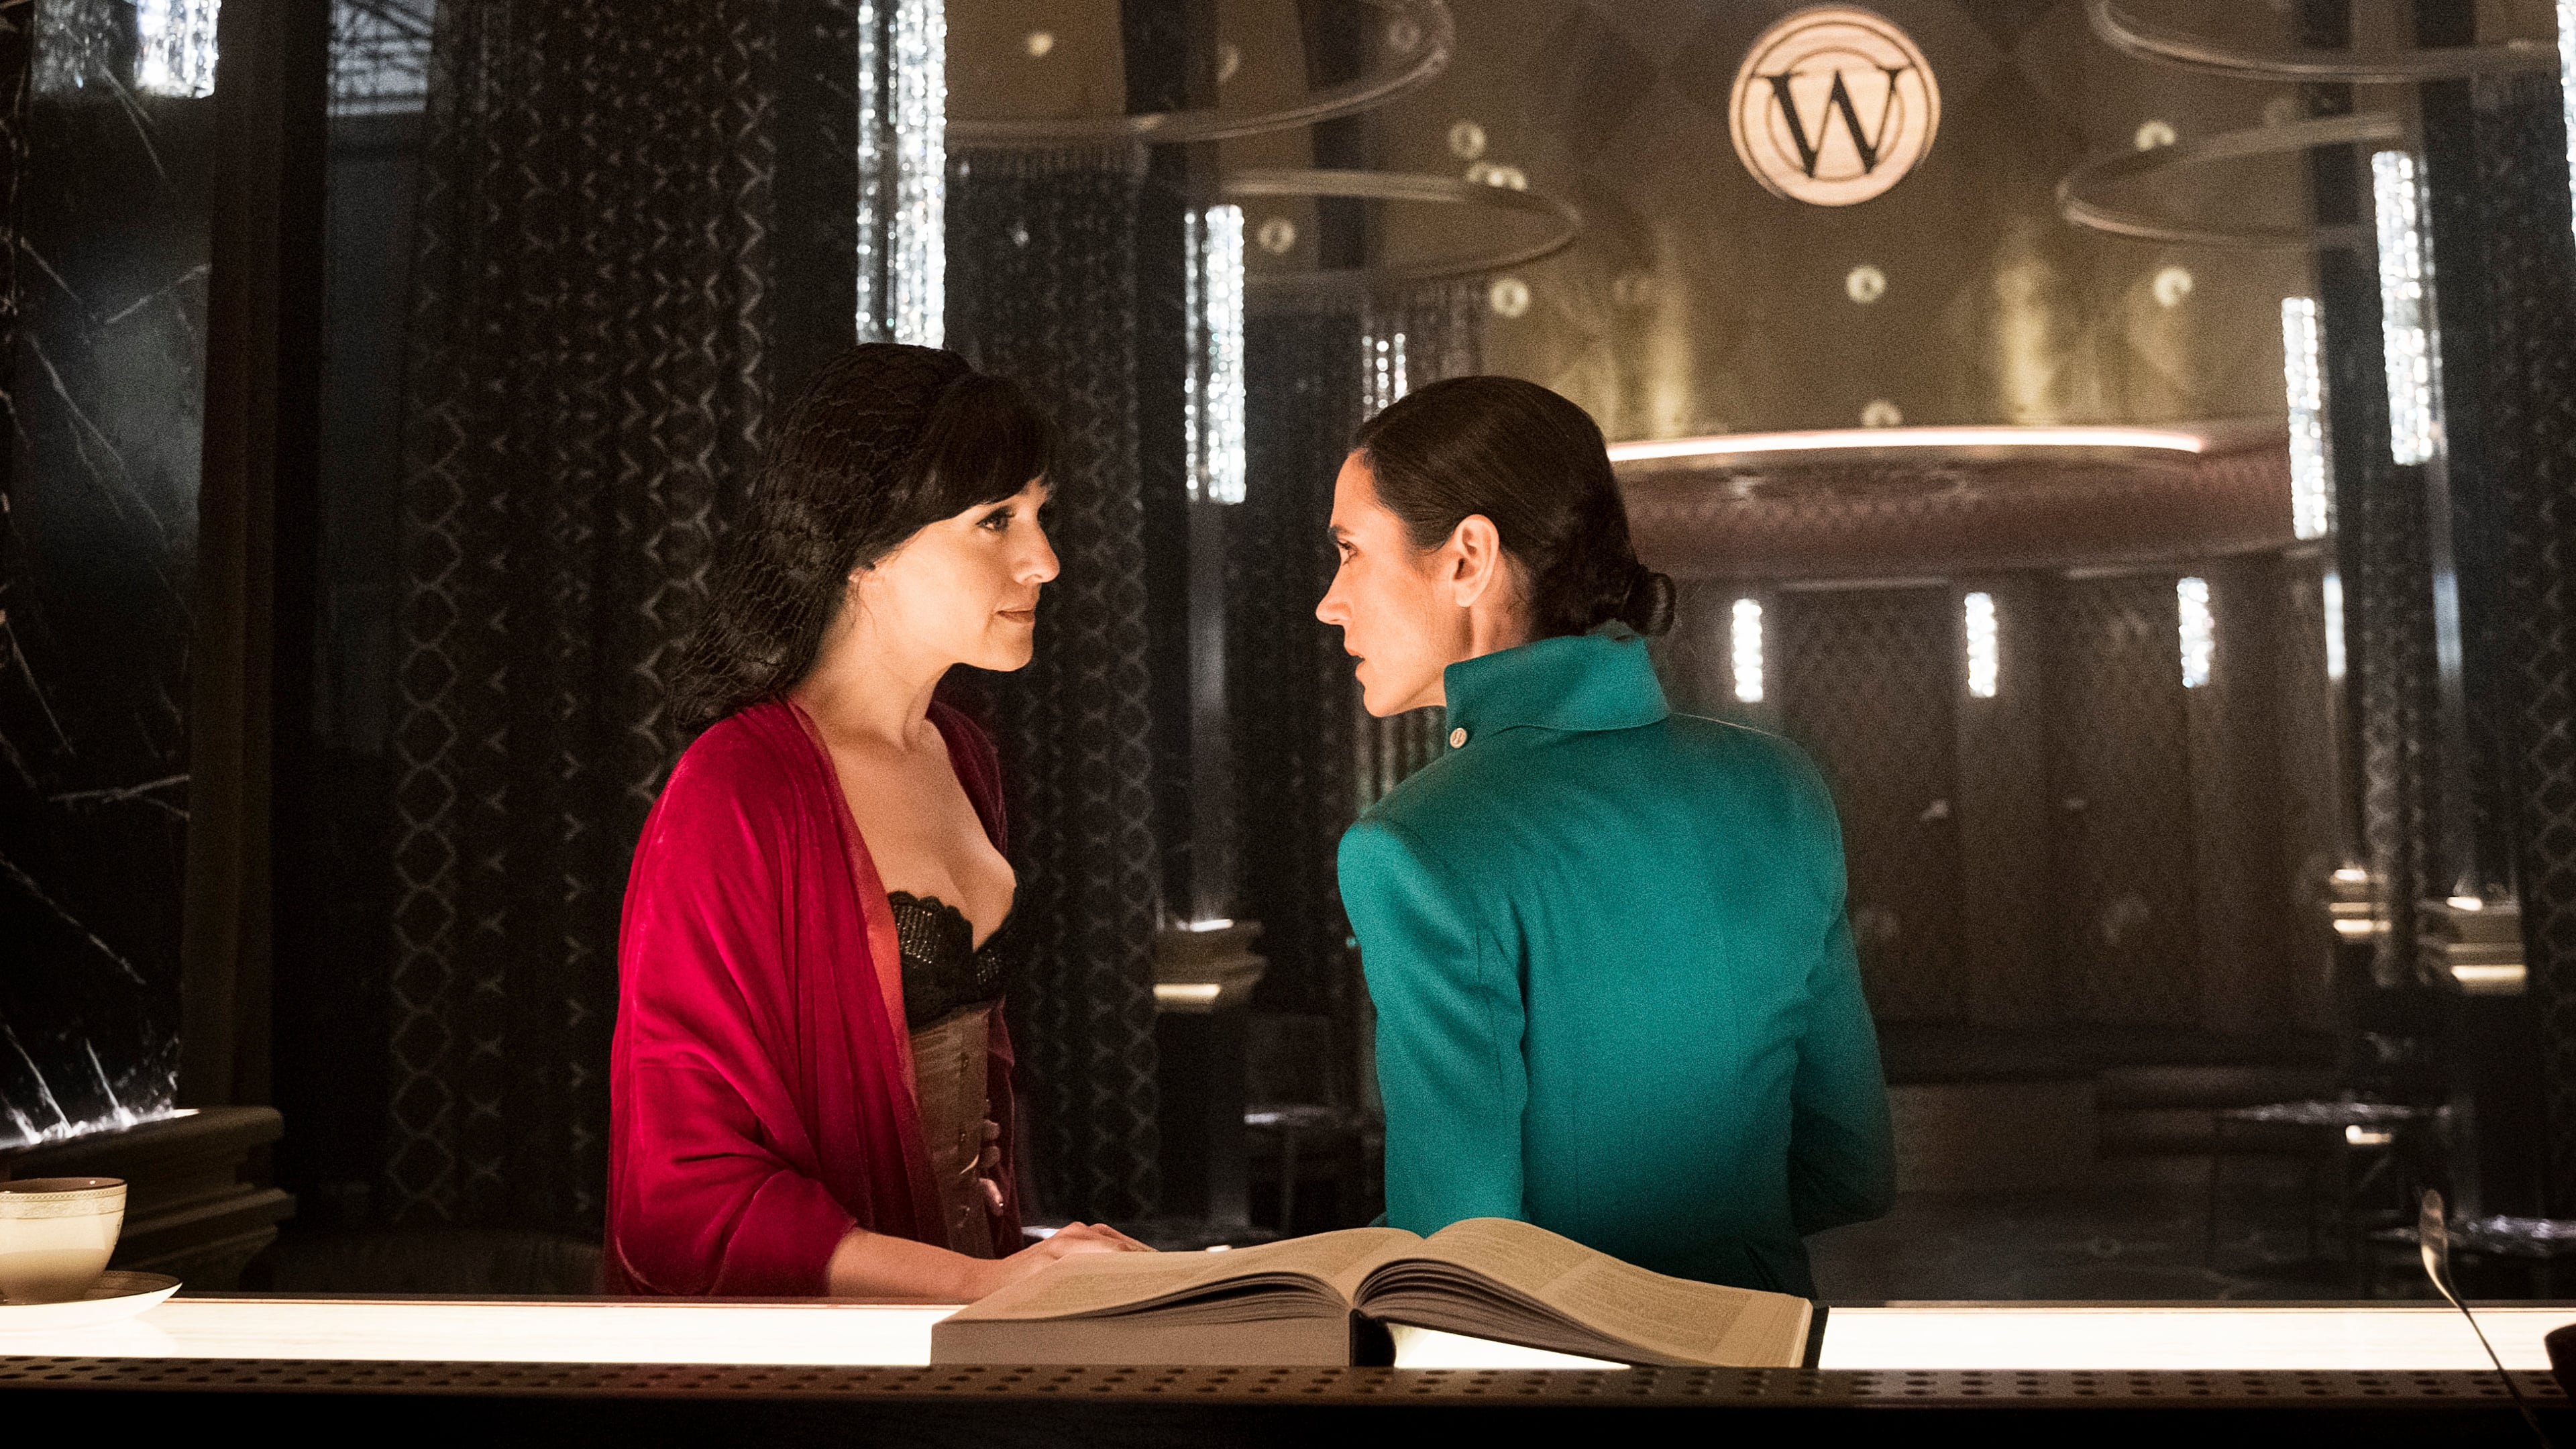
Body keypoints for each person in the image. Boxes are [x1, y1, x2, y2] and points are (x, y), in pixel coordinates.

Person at [1317, 375, 1894, 1295]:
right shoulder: (1779, 786)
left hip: (1557, 1373)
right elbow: (1850, 1172)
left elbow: (1454, 1254)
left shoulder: (1415, 847)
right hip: (1772, 1354)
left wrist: (1209, 1280)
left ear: (1468, 558)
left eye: (1351, 551)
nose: (1331, 601)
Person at [606, 343, 1150, 1297]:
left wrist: (1005, 1241)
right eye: (996, 521)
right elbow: (681, 1200)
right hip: (822, 1353)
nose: (1045, 560)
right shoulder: (735, 791)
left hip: (964, 1303)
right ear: (864, 549)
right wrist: (988, 1285)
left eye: (1040, 514)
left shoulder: (963, 754)